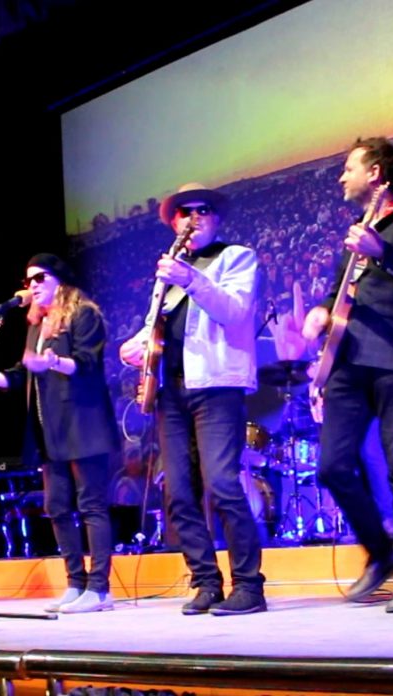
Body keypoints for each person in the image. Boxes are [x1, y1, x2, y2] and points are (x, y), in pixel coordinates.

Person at [301, 137, 393, 613]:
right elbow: (341, 293)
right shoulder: (354, 231)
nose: (342, 177)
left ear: (377, 174)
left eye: (349, 168)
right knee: (332, 466)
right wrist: (321, 312)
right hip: (347, 361)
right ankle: (380, 551)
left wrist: (381, 248)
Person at [0, 254, 119, 614]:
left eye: (40, 277)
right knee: (56, 506)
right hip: (48, 428)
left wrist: (53, 361)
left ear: (60, 281)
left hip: (83, 424)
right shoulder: (36, 325)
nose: (32, 285)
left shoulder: (83, 314)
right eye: (28, 280)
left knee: (91, 505)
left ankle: (100, 588)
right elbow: (23, 374)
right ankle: (75, 582)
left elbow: (87, 364)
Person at [120, 182, 266, 616]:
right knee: (179, 493)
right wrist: (137, 344)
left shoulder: (235, 257)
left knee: (222, 484)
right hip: (172, 390)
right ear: (173, 222)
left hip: (217, 386)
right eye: (185, 212)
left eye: (203, 211)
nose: (193, 218)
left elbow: (235, 312)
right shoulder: (169, 270)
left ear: (216, 219)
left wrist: (190, 278)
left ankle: (249, 585)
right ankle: (205, 582)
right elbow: (160, 326)